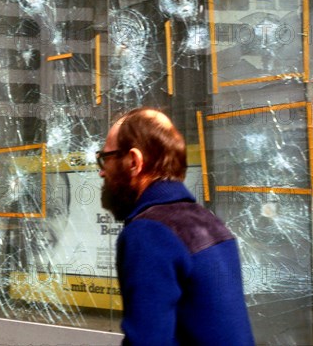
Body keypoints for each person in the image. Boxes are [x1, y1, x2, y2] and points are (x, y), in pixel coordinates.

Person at [97, 107, 254, 346]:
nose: (101, 171)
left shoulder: (149, 233)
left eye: (105, 158)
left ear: (133, 161)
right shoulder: (211, 223)